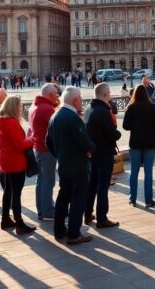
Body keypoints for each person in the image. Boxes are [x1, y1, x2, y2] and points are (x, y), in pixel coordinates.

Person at [48, 87, 97, 245]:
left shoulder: (54, 116)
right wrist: (91, 149)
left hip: (63, 165)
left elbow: (48, 142)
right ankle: (74, 234)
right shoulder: (73, 118)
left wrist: (59, 154)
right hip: (77, 166)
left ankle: (59, 229)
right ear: (75, 100)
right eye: (80, 99)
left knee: (63, 197)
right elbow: (84, 141)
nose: (81, 101)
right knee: (78, 199)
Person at [0, 96, 36, 235]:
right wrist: (32, 140)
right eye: (20, 106)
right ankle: (19, 223)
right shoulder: (11, 122)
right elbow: (20, 145)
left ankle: (5, 219)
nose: (21, 108)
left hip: (5, 160)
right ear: (14, 107)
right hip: (15, 161)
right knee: (16, 193)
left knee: (8, 191)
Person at [84, 82, 122, 226]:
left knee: (92, 185)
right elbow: (112, 133)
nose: (110, 95)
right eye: (110, 93)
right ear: (105, 94)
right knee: (102, 186)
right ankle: (102, 218)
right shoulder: (103, 111)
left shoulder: (88, 108)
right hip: (104, 154)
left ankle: (87, 214)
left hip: (92, 154)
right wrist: (117, 133)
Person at [123, 84, 155, 206]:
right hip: (150, 143)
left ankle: (132, 198)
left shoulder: (131, 108)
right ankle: (148, 200)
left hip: (135, 143)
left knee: (134, 171)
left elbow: (125, 126)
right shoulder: (151, 107)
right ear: (146, 94)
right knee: (148, 172)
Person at [29, 83, 60, 221]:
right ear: (48, 95)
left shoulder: (34, 106)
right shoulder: (47, 109)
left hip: (37, 147)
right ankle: (47, 212)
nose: (58, 96)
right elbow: (56, 129)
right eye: (55, 94)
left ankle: (41, 209)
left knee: (41, 180)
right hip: (47, 150)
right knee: (48, 181)